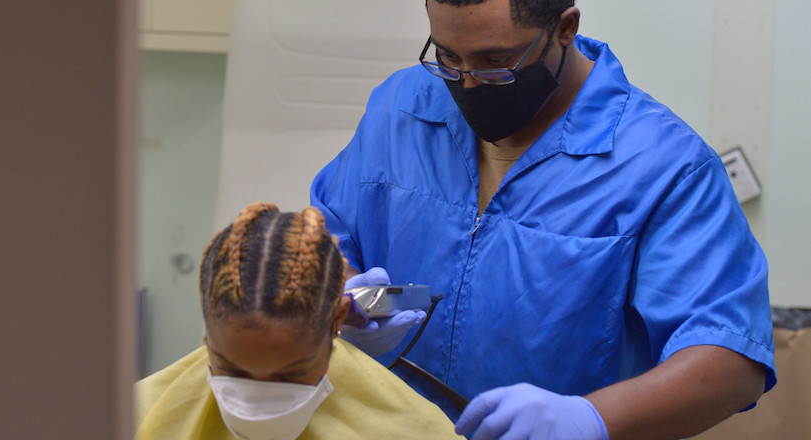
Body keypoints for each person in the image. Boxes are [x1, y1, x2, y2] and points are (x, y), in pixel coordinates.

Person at [310, 0, 777, 439]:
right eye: (449, 56)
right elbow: (328, 232)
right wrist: (349, 296)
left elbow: (732, 363)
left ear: (565, 29)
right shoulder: (402, 107)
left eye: (494, 61)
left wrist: (593, 419)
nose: (467, 83)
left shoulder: (664, 168)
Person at [134, 203, 463, 440]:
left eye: (290, 375)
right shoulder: (129, 416)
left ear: (338, 321)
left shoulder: (415, 430)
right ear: (207, 329)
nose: (257, 405)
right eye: (232, 372)